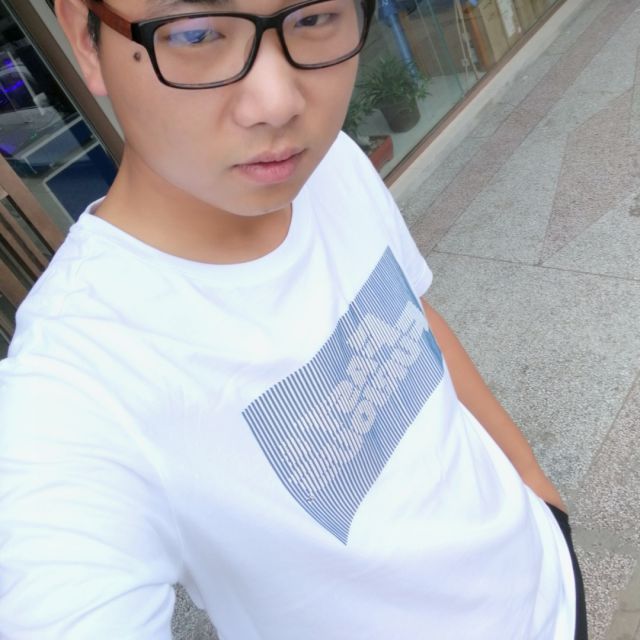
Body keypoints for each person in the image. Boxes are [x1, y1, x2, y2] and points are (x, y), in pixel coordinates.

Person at [0, 0, 587, 638]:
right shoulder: (71, 389)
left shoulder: (329, 164)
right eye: (196, 34)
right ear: (86, 39)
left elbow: (413, 317)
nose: (278, 103)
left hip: (548, 574)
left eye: (312, 20)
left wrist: (534, 486)